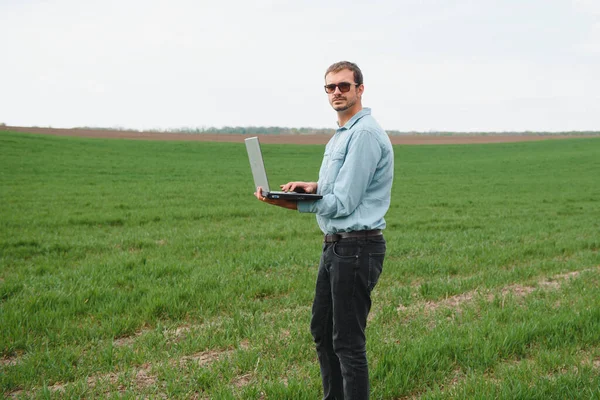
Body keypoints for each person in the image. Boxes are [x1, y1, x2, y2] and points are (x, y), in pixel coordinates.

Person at [254, 61, 394, 399]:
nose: (336, 92)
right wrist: (312, 186)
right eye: (330, 87)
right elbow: (342, 185)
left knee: (347, 341)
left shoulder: (363, 134)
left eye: (344, 86)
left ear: (360, 89)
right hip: (337, 246)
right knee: (323, 330)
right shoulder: (343, 135)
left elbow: (344, 201)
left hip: (356, 248)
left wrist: (292, 203)